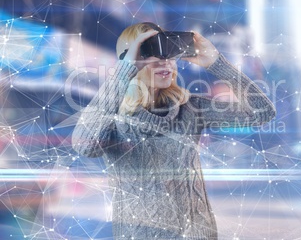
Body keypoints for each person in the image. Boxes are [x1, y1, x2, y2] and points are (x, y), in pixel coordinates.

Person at [72, 22, 276, 239]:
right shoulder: (112, 116)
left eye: (168, 52)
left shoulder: (189, 108)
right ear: (128, 59)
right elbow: (85, 146)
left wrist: (217, 63)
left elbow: (262, 113)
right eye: (150, 51)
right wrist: (123, 73)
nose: (164, 60)